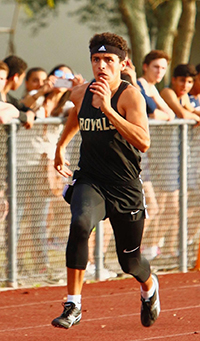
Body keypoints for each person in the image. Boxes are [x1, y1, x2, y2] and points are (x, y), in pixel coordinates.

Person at [51, 32, 160, 329]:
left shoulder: (130, 95)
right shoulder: (80, 92)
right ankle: (74, 304)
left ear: (122, 63)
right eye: (96, 59)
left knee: (131, 263)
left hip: (125, 187)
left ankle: (149, 288)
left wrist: (108, 109)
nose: (101, 65)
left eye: (108, 60)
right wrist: (60, 147)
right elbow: (76, 116)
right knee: (80, 223)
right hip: (91, 179)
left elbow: (143, 142)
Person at [159, 64, 200, 256]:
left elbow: (190, 111)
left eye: (190, 81)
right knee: (163, 208)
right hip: (162, 158)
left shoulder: (186, 98)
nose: (186, 85)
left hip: (180, 158)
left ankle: (170, 249)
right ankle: (150, 247)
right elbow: (184, 114)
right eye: (182, 80)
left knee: (178, 207)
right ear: (174, 79)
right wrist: (192, 114)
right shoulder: (167, 92)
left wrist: (193, 112)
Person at [1, 55, 35, 129]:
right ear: (15, 77)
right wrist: (23, 116)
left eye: (2, 78)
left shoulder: (9, 98)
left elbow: (23, 107)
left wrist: (30, 113)